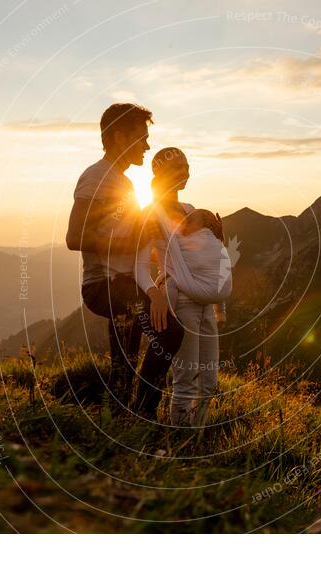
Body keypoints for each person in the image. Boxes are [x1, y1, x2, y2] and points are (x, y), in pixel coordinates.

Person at [65, 103, 183, 420]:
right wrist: (128, 241)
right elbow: (74, 237)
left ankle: (120, 416)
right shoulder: (95, 177)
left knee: (125, 358)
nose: (147, 145)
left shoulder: (123, 183)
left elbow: (125, 236)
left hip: (122, 283)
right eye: (141, 137)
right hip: (104, 286)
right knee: (170, 333)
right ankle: (144, 414)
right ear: (119, 136)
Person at [134, 147, 230, 426]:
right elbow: (139, 266)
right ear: (161, 174)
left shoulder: (190, 210)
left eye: (187, 166)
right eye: (178, 168)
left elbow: (202, 251)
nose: (186, 172)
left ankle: (197, 435)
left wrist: (218, 233)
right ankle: (180, 440)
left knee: (209, 379)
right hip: (182, 300)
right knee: (186, 378)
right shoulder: (150, 214)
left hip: (205, 300)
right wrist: (155, 296)